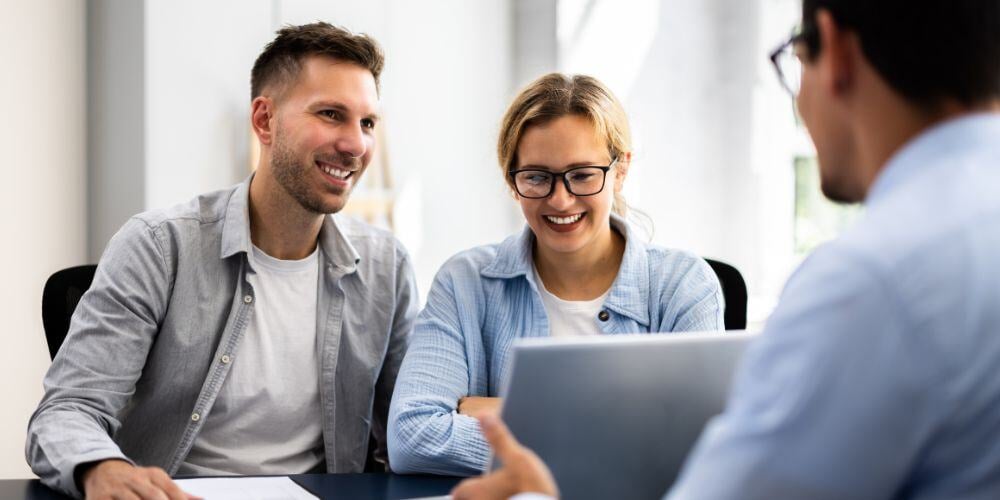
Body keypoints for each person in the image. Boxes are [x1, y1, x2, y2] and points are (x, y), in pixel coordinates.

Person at [452, 0, 1000, 498]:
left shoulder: (867, 281)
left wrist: (536, 494)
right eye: (538, 177)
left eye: (795, 59)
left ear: (833, 50)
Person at [25, 22, 419, 499]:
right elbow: (68, 410)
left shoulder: (385, 267)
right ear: (264, 120)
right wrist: (101, 468)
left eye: (367, 123)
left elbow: (410, 423)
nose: (355, 144)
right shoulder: (158, 246)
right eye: (331, 114)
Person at [387, 73, 725, 476]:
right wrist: (618, 433)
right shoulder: (464, 283)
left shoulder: (685, 286)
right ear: (512, 181)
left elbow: (695, 449)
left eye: (582, 174)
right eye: (537, 177)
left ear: (620, 171)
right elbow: (412, 437)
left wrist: (502, 414)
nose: (560, 199)